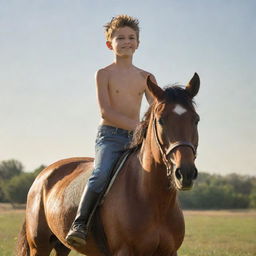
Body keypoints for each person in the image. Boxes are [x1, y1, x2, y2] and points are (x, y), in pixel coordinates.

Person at [66, 14, 157, 247]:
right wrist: (140, 128)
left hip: (138, 140)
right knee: (100, 175)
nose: (127, 41)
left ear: (138, 43)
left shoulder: (146, 77)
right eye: (121, 38)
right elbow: (106, 112)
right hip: (111, 136)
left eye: (132, 37)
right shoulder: (104, 74)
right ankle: (80, 223)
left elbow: (157, 110)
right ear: (110, 44)